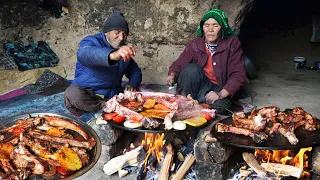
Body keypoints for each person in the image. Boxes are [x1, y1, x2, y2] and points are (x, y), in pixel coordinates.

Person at [165, 9, 247, 114]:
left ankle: (192, 103)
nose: (210, 29)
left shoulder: (232, 44)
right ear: (202, 28)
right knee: (191, 70)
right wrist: (172, 75)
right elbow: (180, 63)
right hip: (200, 84)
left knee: (222, 106)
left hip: (218, 88)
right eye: (207, 25)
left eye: (215, 25)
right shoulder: (196, 44)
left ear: (222, 28)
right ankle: (187, 102)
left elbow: (238, 74)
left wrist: (221, 94)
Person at [64, 10, 142, 118]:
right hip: (88, 95)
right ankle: (106, 107)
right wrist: (112, 55)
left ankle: (110, 107)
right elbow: (84, 54)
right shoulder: (91, 42)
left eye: (124, 34)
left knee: (139, 99)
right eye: (117, 32)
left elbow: (135, 71)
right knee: (72, 93)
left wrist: (132, 84)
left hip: (112, 96)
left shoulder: (123, 50)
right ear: (106, 32)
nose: (121, 38)